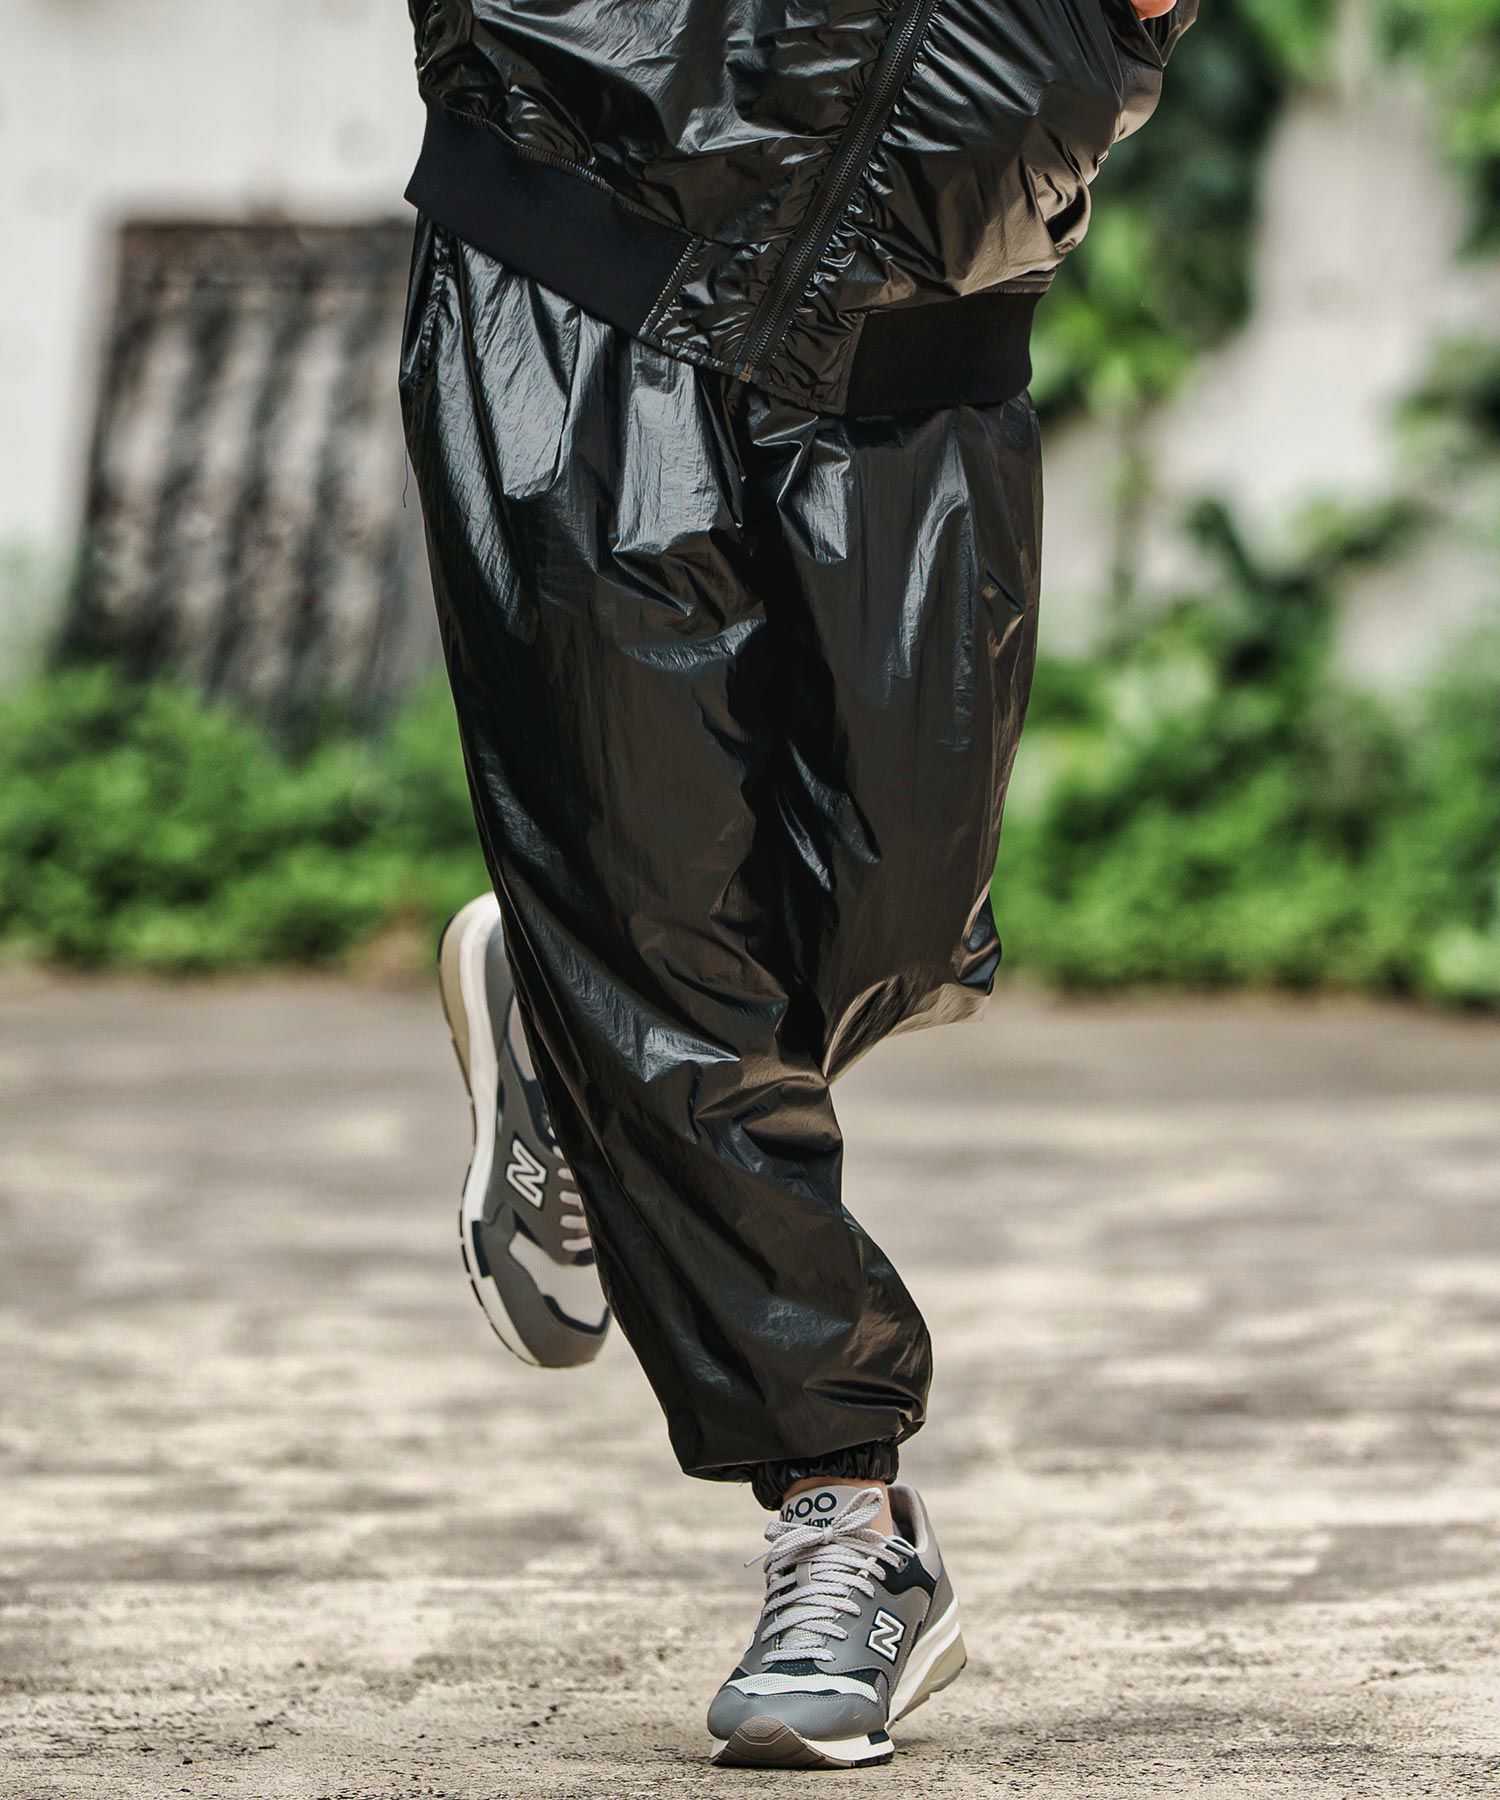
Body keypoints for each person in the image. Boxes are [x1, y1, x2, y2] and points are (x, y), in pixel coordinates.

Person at [401, 0, 1192, 1768]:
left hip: (934, 275)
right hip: (585, 242)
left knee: (904, 914)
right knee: (662, 934)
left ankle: (583, 1049)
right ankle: (845, 1513)